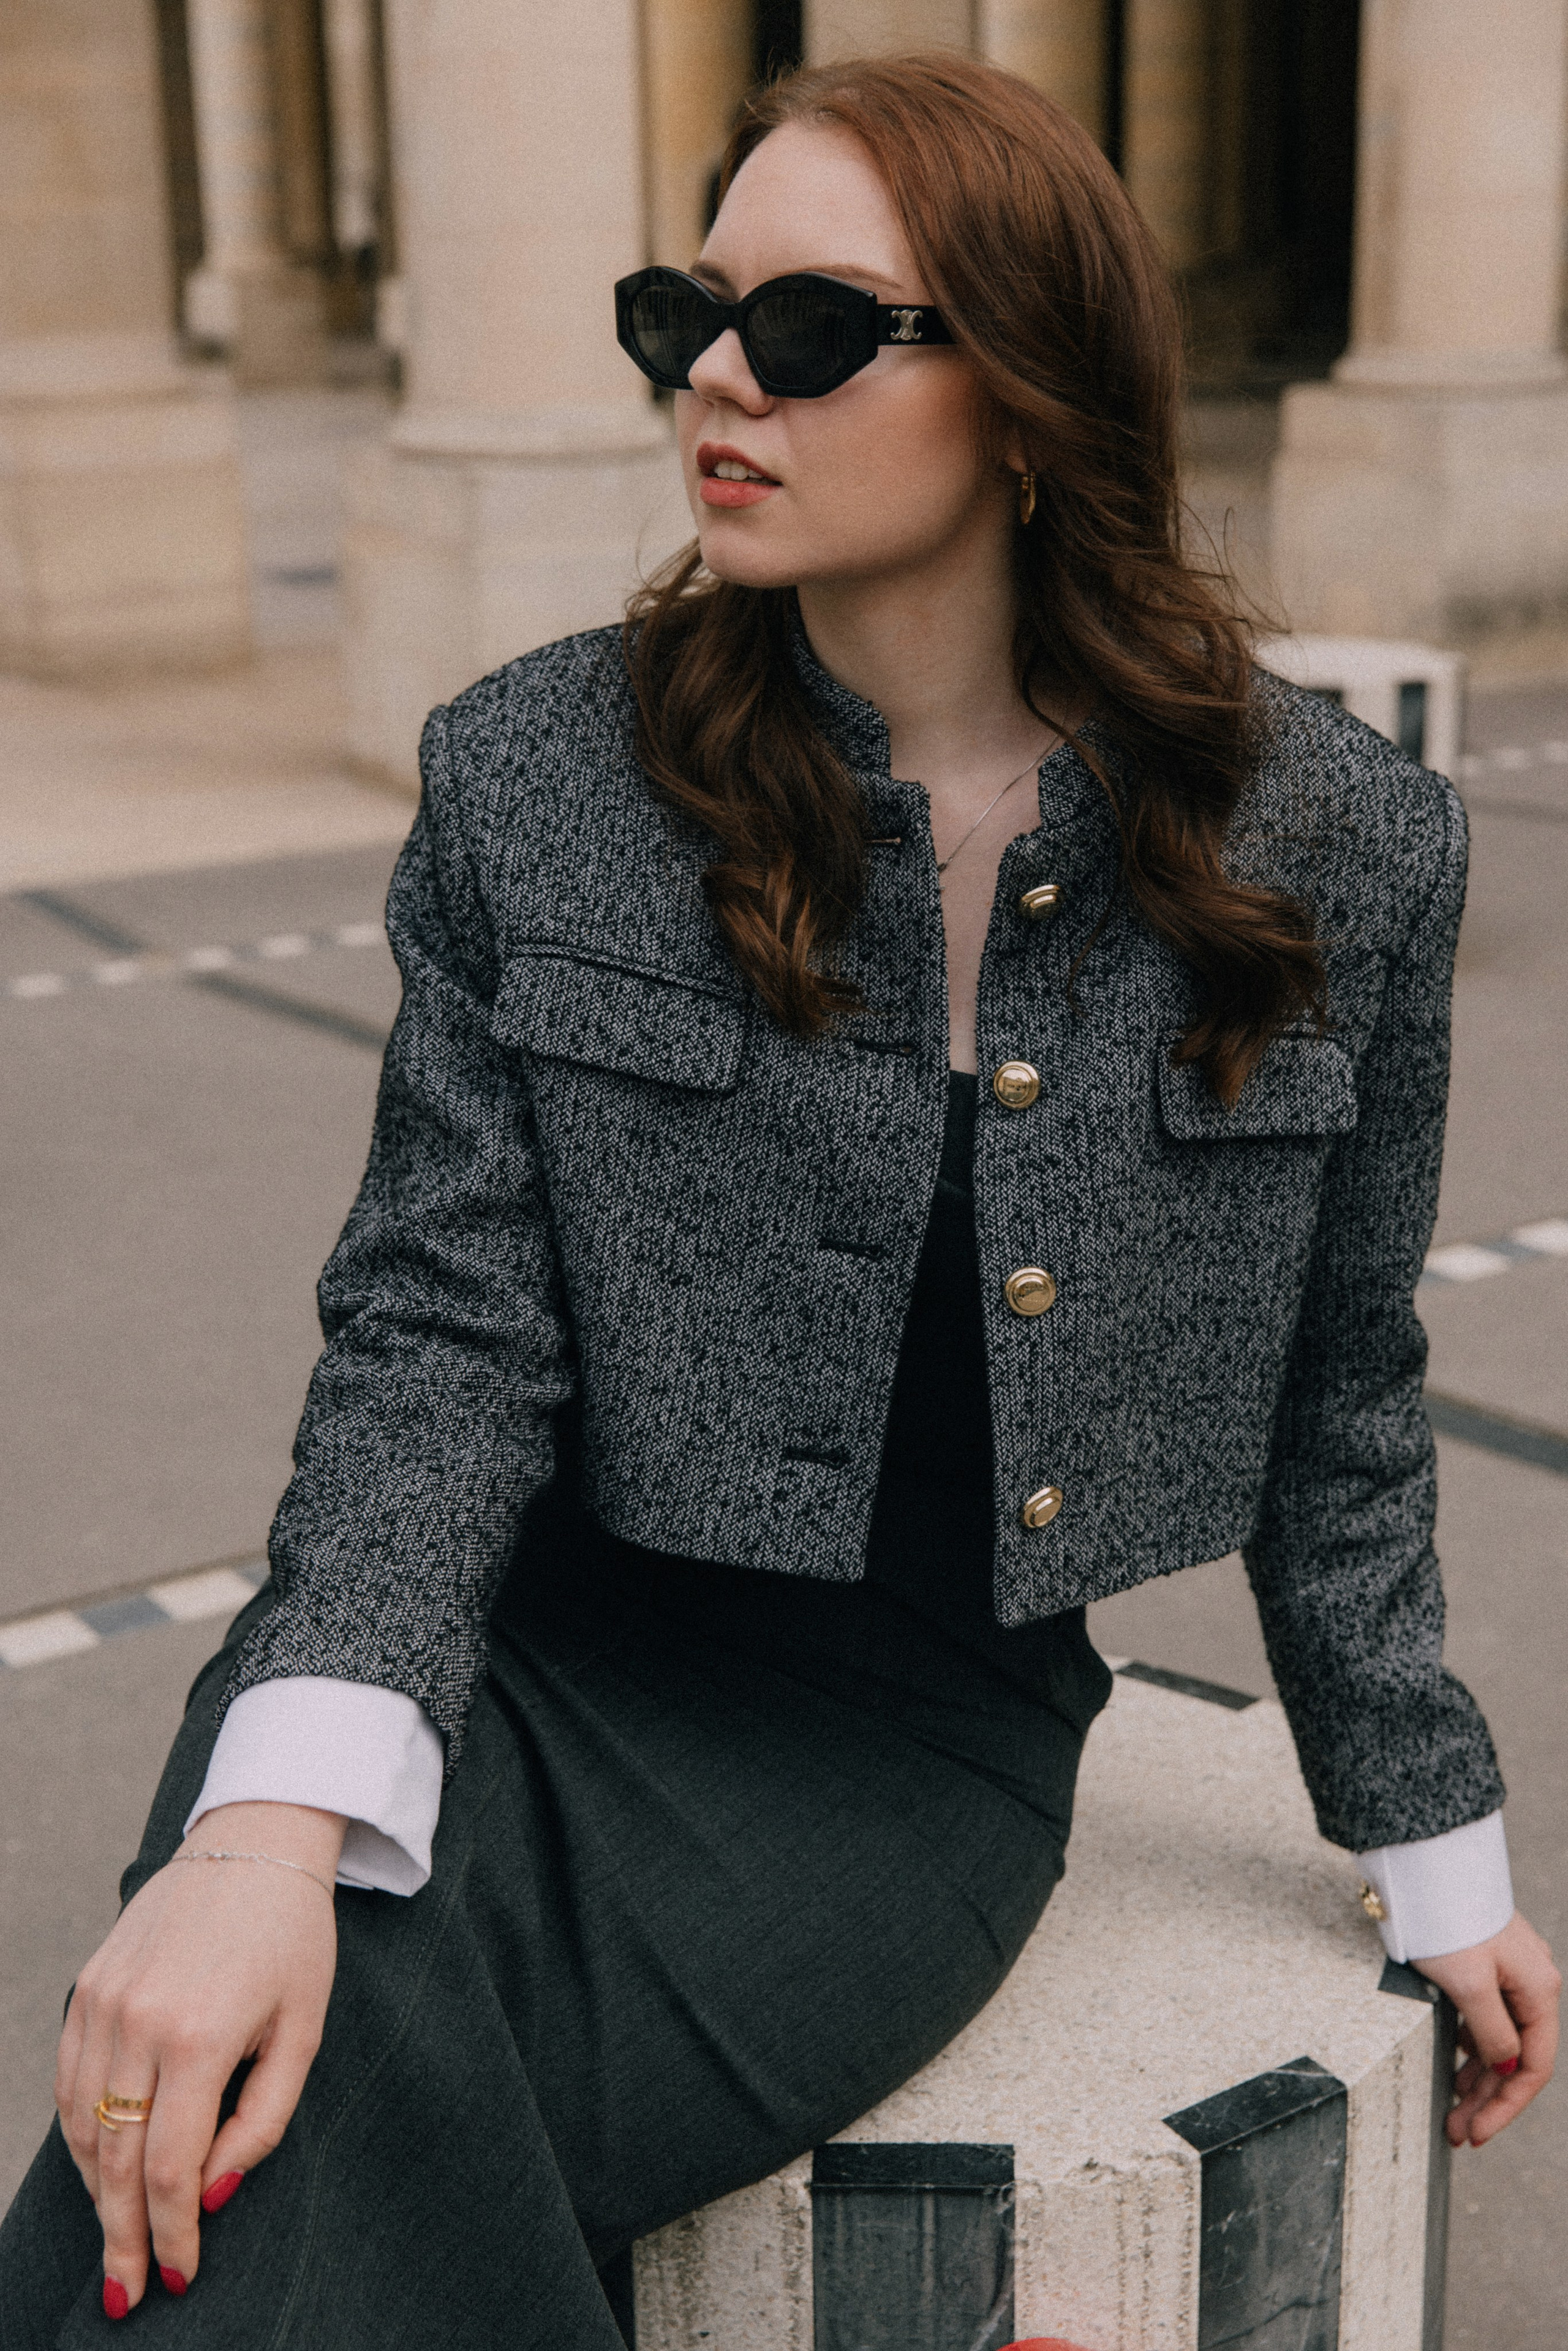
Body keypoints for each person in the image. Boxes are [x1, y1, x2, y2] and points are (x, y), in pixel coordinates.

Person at [2, 51, 1557, 2349]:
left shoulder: (1331, 842)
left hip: (895, 1746)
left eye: (814, 329)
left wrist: (1429, 1838)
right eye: (686, 313)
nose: (718, 377)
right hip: (490, 1650)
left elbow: (1344, 1391)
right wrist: (263, 1829)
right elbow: (435, 1338)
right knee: (233, 2088)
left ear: (1028, 405)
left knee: (274, 2139)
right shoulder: (539, 774)